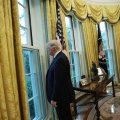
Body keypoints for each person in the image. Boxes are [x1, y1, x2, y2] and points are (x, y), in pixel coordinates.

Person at [46, 40, 75, 120]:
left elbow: (58, 81)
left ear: (53, 48)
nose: (48, 50)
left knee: (64, 117)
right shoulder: (59, 57)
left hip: (61, 98)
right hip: (62, 96)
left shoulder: (60, 59)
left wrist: (54, 98)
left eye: (48, 48)